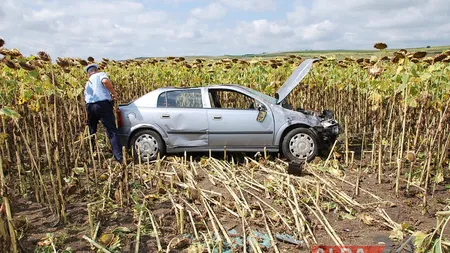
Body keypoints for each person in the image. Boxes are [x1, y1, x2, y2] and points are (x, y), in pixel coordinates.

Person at [84, 63, 123, 164]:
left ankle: (90, 155)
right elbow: (105, 81)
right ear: (96, 70)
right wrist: (113, 92)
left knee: (91, 131)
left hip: (90, 107)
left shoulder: (87, 83)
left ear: (88, 74)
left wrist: (87, 117)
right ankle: (119, 157)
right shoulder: (100, 74)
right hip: (102, 105)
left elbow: (87, 101)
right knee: (111, 131)